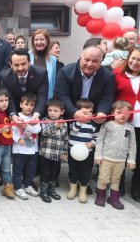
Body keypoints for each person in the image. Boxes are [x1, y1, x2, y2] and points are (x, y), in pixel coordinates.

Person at [55, 45, 115, 122]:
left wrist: (101, 113)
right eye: (87, 60)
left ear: (101, 62)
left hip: (93, 117)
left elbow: (107, 98)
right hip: (68, 116)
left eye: (95, 61)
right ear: (80, 59)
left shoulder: (108, 76)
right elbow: (61, 95)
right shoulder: (65, 72)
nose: (90, 64)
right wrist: (74, 112)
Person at [94, 100, 136, 210]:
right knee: (103, 178)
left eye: (126, 113)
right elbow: (99, 141)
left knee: (116, 179)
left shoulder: (130, 128)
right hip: (106, 158)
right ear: (113, 112)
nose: (123, 115)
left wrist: (131, 160)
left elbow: (132, 145)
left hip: (121, 160)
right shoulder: (107, 125)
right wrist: (98, 155)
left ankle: (113, 198)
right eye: (119, 112)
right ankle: (100, 196)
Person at [114, 45, 140, 201]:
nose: (135, 62)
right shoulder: (117, 74)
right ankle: (119, 184)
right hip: (123, 123)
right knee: (120, 155)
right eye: (133, 58)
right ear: (128, 57)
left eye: (139, 60)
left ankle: (136, 188)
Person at [0, 48, 48, 125]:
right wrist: (13, 115)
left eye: (23, 64)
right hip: (15, 112)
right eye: (16, 65)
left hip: (35, 112)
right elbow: (9, 98)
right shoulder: (5, 76)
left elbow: (42, 96)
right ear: (10, 64)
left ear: (29, 62)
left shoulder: (41, 73)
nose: (20, 68)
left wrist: (36, 114)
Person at [11, 93, 41, 200]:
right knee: (17, 170)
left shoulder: (35, 118)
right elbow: (12, 132)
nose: (29, 107)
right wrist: (18, 139)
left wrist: (27, 125)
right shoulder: (16, 117)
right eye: (26, 104)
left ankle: (28, 185)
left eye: (32, 105)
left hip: (33, 150)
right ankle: (18, 187)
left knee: (31, 170)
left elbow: (37, 130)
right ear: (20, 104)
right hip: (19, 150)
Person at [67, 99, 97, 203]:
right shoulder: (74, 123)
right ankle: (73, 189)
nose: (87, 115)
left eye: (90, 112)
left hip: (87, 153)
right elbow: (74, 129)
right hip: (73, 153)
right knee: (73, 171)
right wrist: (79, 120)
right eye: (84, 113)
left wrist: (92, 143)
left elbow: (97, 138)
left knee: (85, 172)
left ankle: (83, 191)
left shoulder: (93, 125)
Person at [38, 98, 68, 203]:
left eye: (55, 111)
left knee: (54, 173)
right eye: (50, 110)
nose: (52, 113)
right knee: (45, 172)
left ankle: (51, 190)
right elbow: (44, 132)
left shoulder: (65, 123)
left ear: (62, 111)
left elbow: (65, 139)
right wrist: (55, 126)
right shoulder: (45, 121)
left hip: (57, 154)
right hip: (46, 154)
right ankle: (43, 191)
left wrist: (64, 153)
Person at [30, 30, 60, 100]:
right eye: (36, 40)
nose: (38, 42)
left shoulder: (53, 59)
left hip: (46, 99)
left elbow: (53, 81)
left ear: (47, 41)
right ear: (33, 42)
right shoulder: (27, 56)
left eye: (41, 39)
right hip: (30, 99)